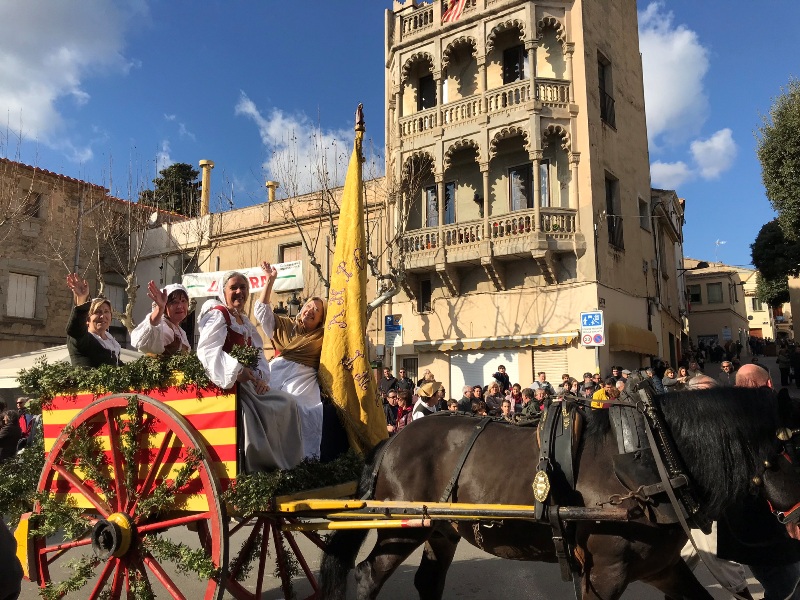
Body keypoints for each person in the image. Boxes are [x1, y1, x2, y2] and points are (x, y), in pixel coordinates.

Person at [197, 270, 302, 471]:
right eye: (233, 287)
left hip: (248, 384)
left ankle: (288, 466)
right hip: (227, 386)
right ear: (223, 291)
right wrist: (237, 372)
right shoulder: (218, 315)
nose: (239, 292)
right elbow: (207, 351)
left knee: (287, 402)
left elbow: (258, 357)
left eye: (243, 287)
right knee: (253, 414)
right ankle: (258, 469)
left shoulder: (244, 323)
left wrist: (260, 378)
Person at [255, 262, 328, 460]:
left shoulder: (323, 337)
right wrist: (270, 281)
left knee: (300, 409)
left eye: (317, 310)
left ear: (320, 320)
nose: (310, 310)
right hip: (276, 372)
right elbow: (262, 312)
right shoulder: (285, 325)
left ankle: (300, 462)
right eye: (308, 306)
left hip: (302, 378)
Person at [65, 273, 121, 368]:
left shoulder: (111, 341)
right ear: (87, 319)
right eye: (97, 312)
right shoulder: (83, 338)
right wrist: (82, 299)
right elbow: (75, 329)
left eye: (106, 311)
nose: (102, 316)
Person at [131, 281, 191, 355]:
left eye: (183, 301)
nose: (180, 306)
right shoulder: (163, 326)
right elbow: (145, 340)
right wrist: (160, 309)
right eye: (174, 302)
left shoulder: (181, 331)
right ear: (165, 306)